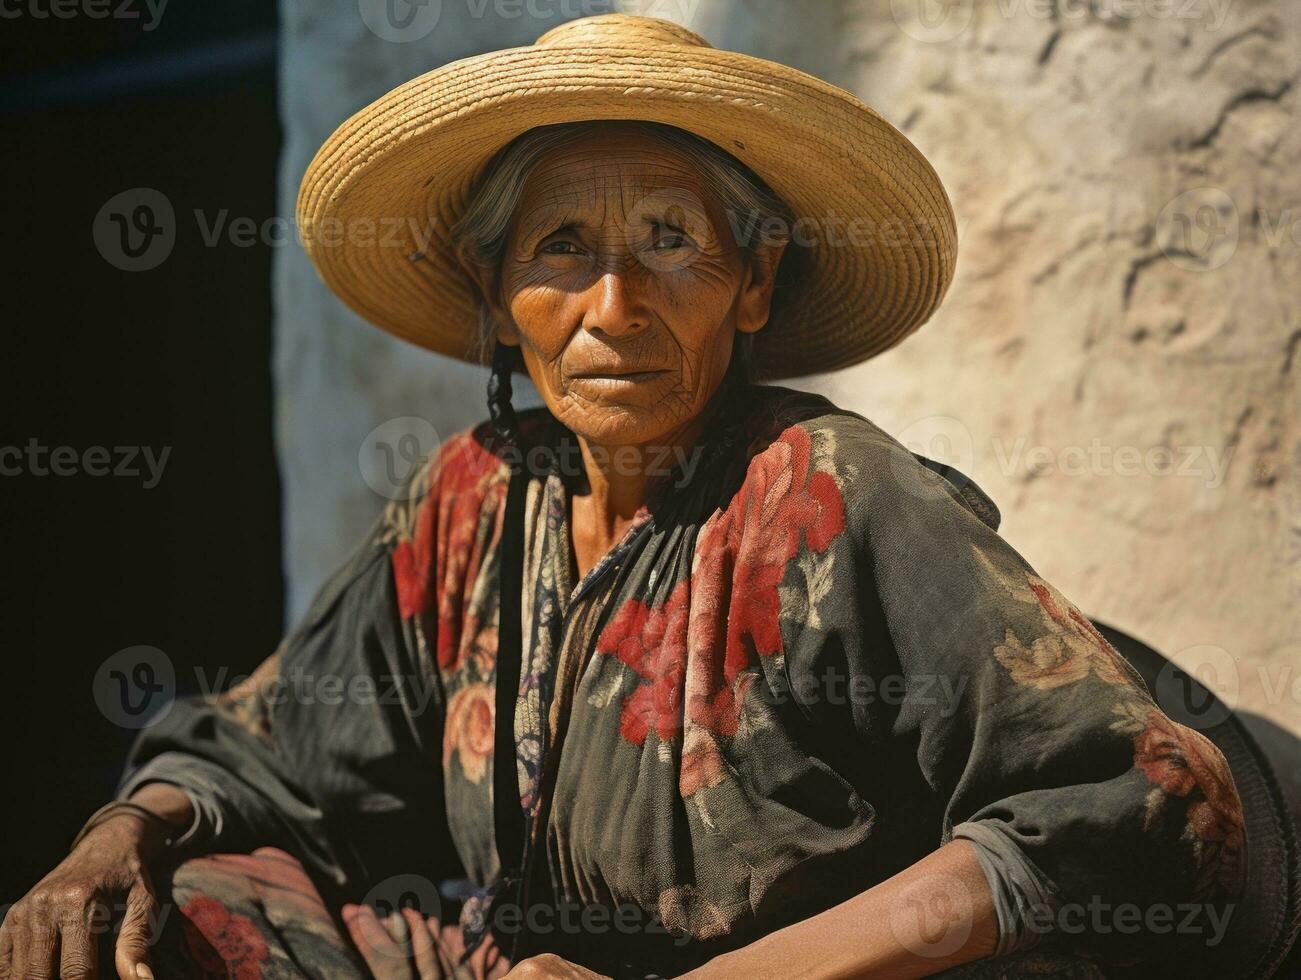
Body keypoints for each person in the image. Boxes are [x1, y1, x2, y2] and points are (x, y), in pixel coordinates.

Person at [1, 14, 1267, 980]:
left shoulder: (822, 496)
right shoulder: (472, 499)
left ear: (752, 283)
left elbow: (1142, 795)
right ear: (498, 298)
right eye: (562, 248)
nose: (615, 307)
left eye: (670, 239)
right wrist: (115, 836)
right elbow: (264, 749)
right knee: (175, 909)